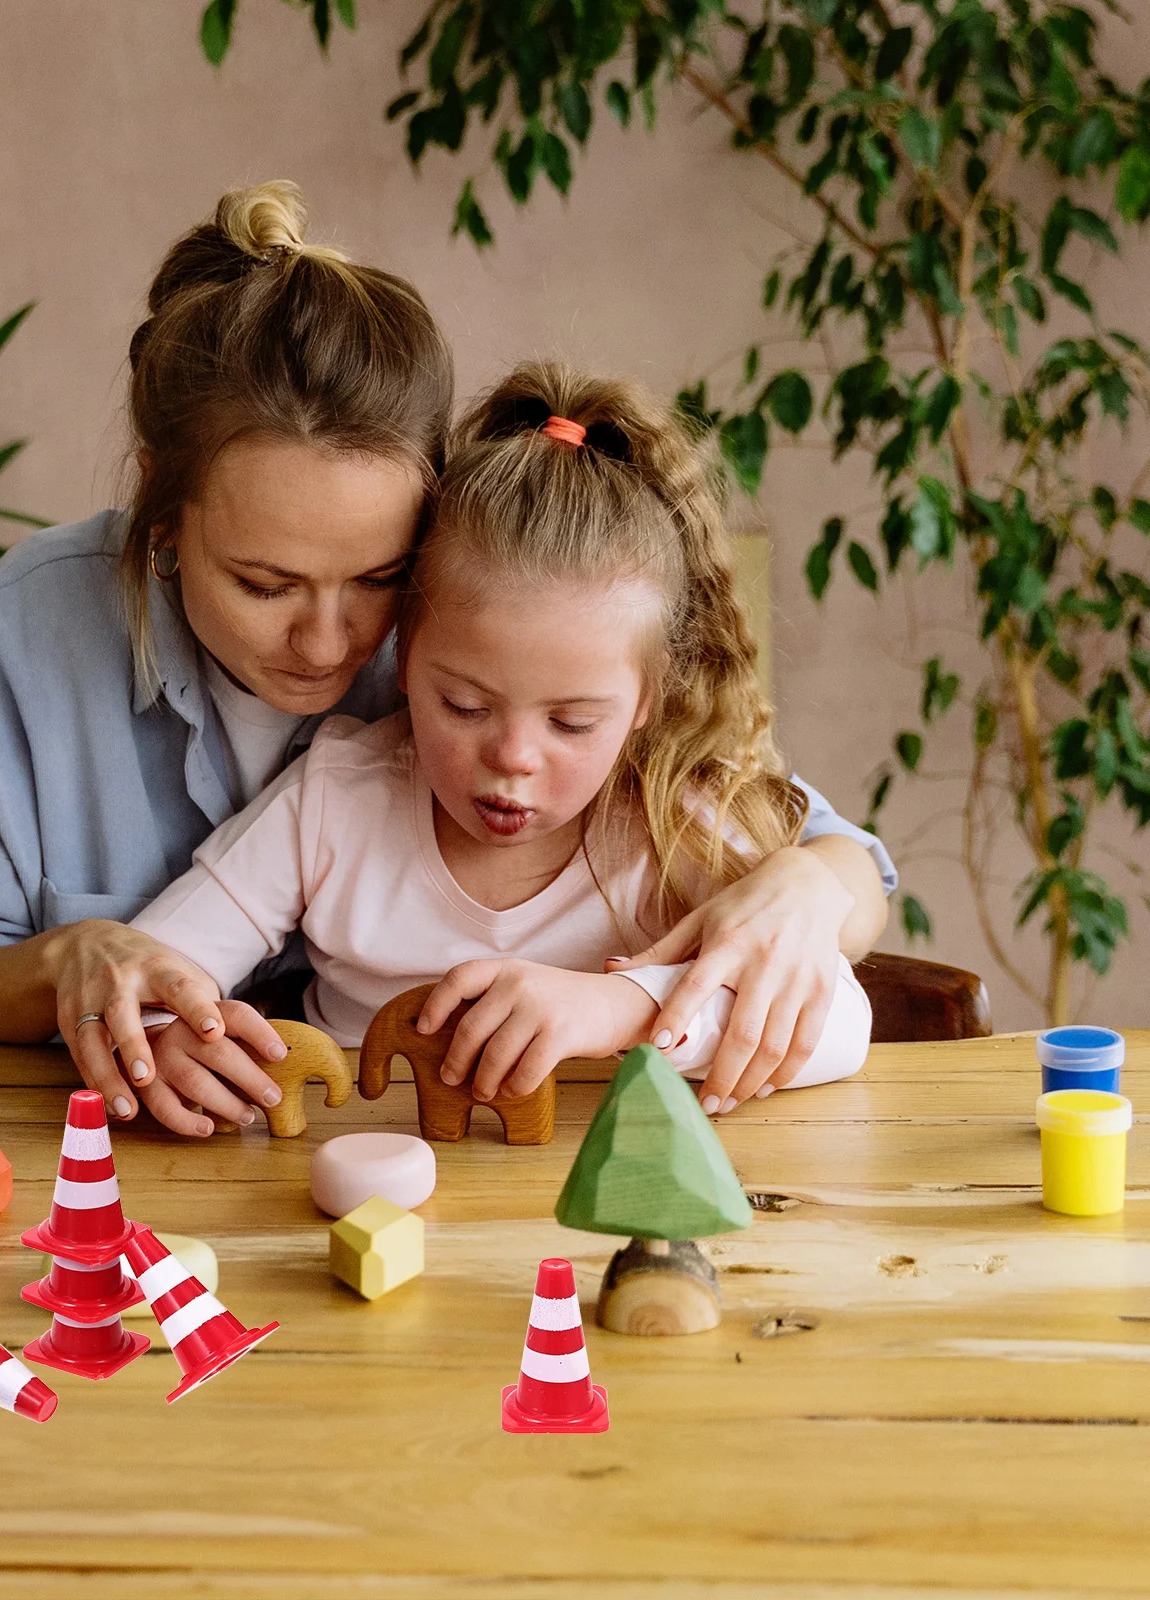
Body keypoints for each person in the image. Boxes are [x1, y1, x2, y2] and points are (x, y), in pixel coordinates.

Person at [0, 183, 896, 1135]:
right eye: (264, 582)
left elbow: (822, 859)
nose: (330, 642)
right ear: (163, 506)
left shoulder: (481, 613)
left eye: (378, 579)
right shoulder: (42, 627)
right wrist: (82, 970)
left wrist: (801, 888)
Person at [128, 364, 882, 1131]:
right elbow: (150, 971)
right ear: (404, 654)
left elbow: (842, 1028)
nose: (514, 756)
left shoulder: (671, 819)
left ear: (646, 703)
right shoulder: (335, 798)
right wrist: (167, 1034)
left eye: (573, 723)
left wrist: (615, 1009)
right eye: (464, 705)